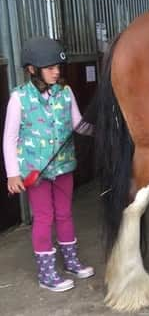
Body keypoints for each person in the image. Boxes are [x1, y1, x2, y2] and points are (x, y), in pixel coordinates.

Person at [3, 37, 94, 292]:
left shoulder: (65, 93)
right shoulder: (19, 98)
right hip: (36, 171)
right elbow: (9, 139)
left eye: (58, 67)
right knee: (44, 217)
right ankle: (46, 273)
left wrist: (101, 129)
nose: (57, 71)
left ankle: (71, 261)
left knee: (65, 214)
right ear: (32, 69)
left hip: (63, 166)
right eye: (51, 67)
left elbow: (78, 124)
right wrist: (12, 174)